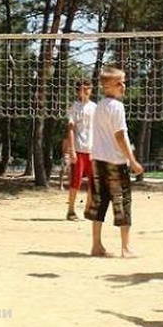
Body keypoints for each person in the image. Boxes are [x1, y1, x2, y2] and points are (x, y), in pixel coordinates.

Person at [84, 67, 144, 257]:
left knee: (99, 202)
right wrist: (132, 161)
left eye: (123, 82)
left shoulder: (99, 106)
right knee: (122, 202)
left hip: (97, 160)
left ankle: (96, 245)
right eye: (119, 83)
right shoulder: (117, 107)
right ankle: (125, 248)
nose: (123, 86)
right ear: (107, 87)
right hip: (115, 162)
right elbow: (120, 136)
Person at [65, 80, 97, 220]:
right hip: (79, 149)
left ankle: (88, 209)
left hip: (93, 150)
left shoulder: (95, 107)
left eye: (88, 88)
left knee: (93, 182)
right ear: (77, 91)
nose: (86, 91)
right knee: (76, 181)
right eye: (83, 89)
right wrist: (71, 150)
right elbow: (70, 130)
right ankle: (71, 210)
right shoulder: (74, 107)